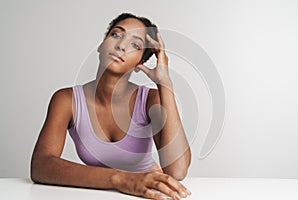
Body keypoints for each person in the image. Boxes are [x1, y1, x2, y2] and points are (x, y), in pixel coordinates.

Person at [31, 13, 191, 200]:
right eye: (116, 35)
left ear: (140, 62)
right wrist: (121, 179)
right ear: (101, 45)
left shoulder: (149, 100)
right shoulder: (66, 100)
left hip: (147, 195)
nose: (121, 45)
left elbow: (177, 170)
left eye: (135, 45)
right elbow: (41, 166)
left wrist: (165, 83)